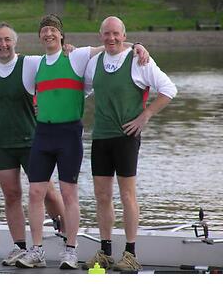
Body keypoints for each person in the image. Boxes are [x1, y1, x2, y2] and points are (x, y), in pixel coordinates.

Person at [14, 14, 150, 270]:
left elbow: (112, 45)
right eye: (44, 31)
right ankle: (37, 250)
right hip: (43, 134)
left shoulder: (77, 56)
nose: (49, 34)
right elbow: (3, 59)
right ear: (39, 36)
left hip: (69, 135)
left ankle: (71, 250)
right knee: (34, 193)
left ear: (61, 34)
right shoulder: (33, 63)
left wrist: (138, 45)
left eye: (53, 30)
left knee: (69, 194)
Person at [0, 22, 66, 266]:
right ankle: (20, 247)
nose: (3, 44)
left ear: (15, 42)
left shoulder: (30, 63)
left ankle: (66, 237)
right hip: (0, 142)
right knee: (11, 195)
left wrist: (66, 47)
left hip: (32, 140)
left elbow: (59, 61)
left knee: (47, 191)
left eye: (7, 39)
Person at [81, 16, 177, 272]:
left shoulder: (138, 60)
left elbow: (168, 89)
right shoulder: (94, 63)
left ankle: (131, 253)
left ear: (124, 36)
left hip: (126, 137)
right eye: (106, 34)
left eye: (116, 34)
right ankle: (105, 252)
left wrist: (145, 116)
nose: (111, 38)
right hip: (100, 136)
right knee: (102, 196)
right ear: (100, 36)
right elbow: (82, 90)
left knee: (127, 195)